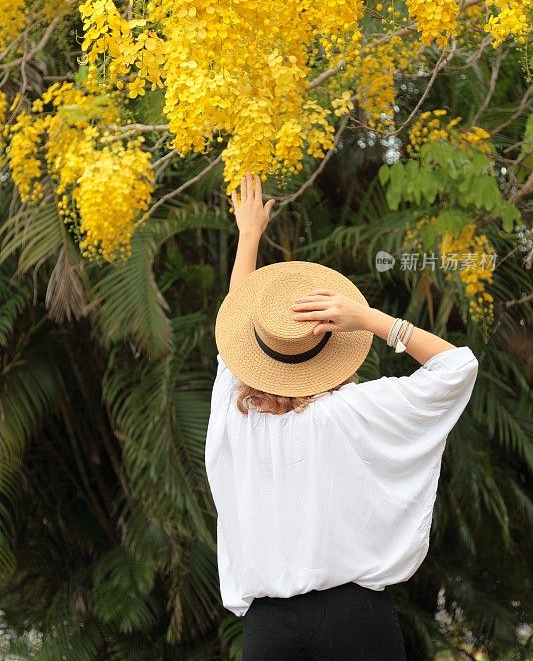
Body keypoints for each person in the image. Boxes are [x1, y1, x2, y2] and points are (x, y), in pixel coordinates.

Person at [204, 173, 480, 661]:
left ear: (255, 347)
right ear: (331, 347)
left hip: (267, 632)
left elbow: (232, 329)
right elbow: (456, 367)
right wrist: (371, 319)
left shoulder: (232, 414)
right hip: (352, 620)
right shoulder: (351, 411)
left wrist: (248, 236)